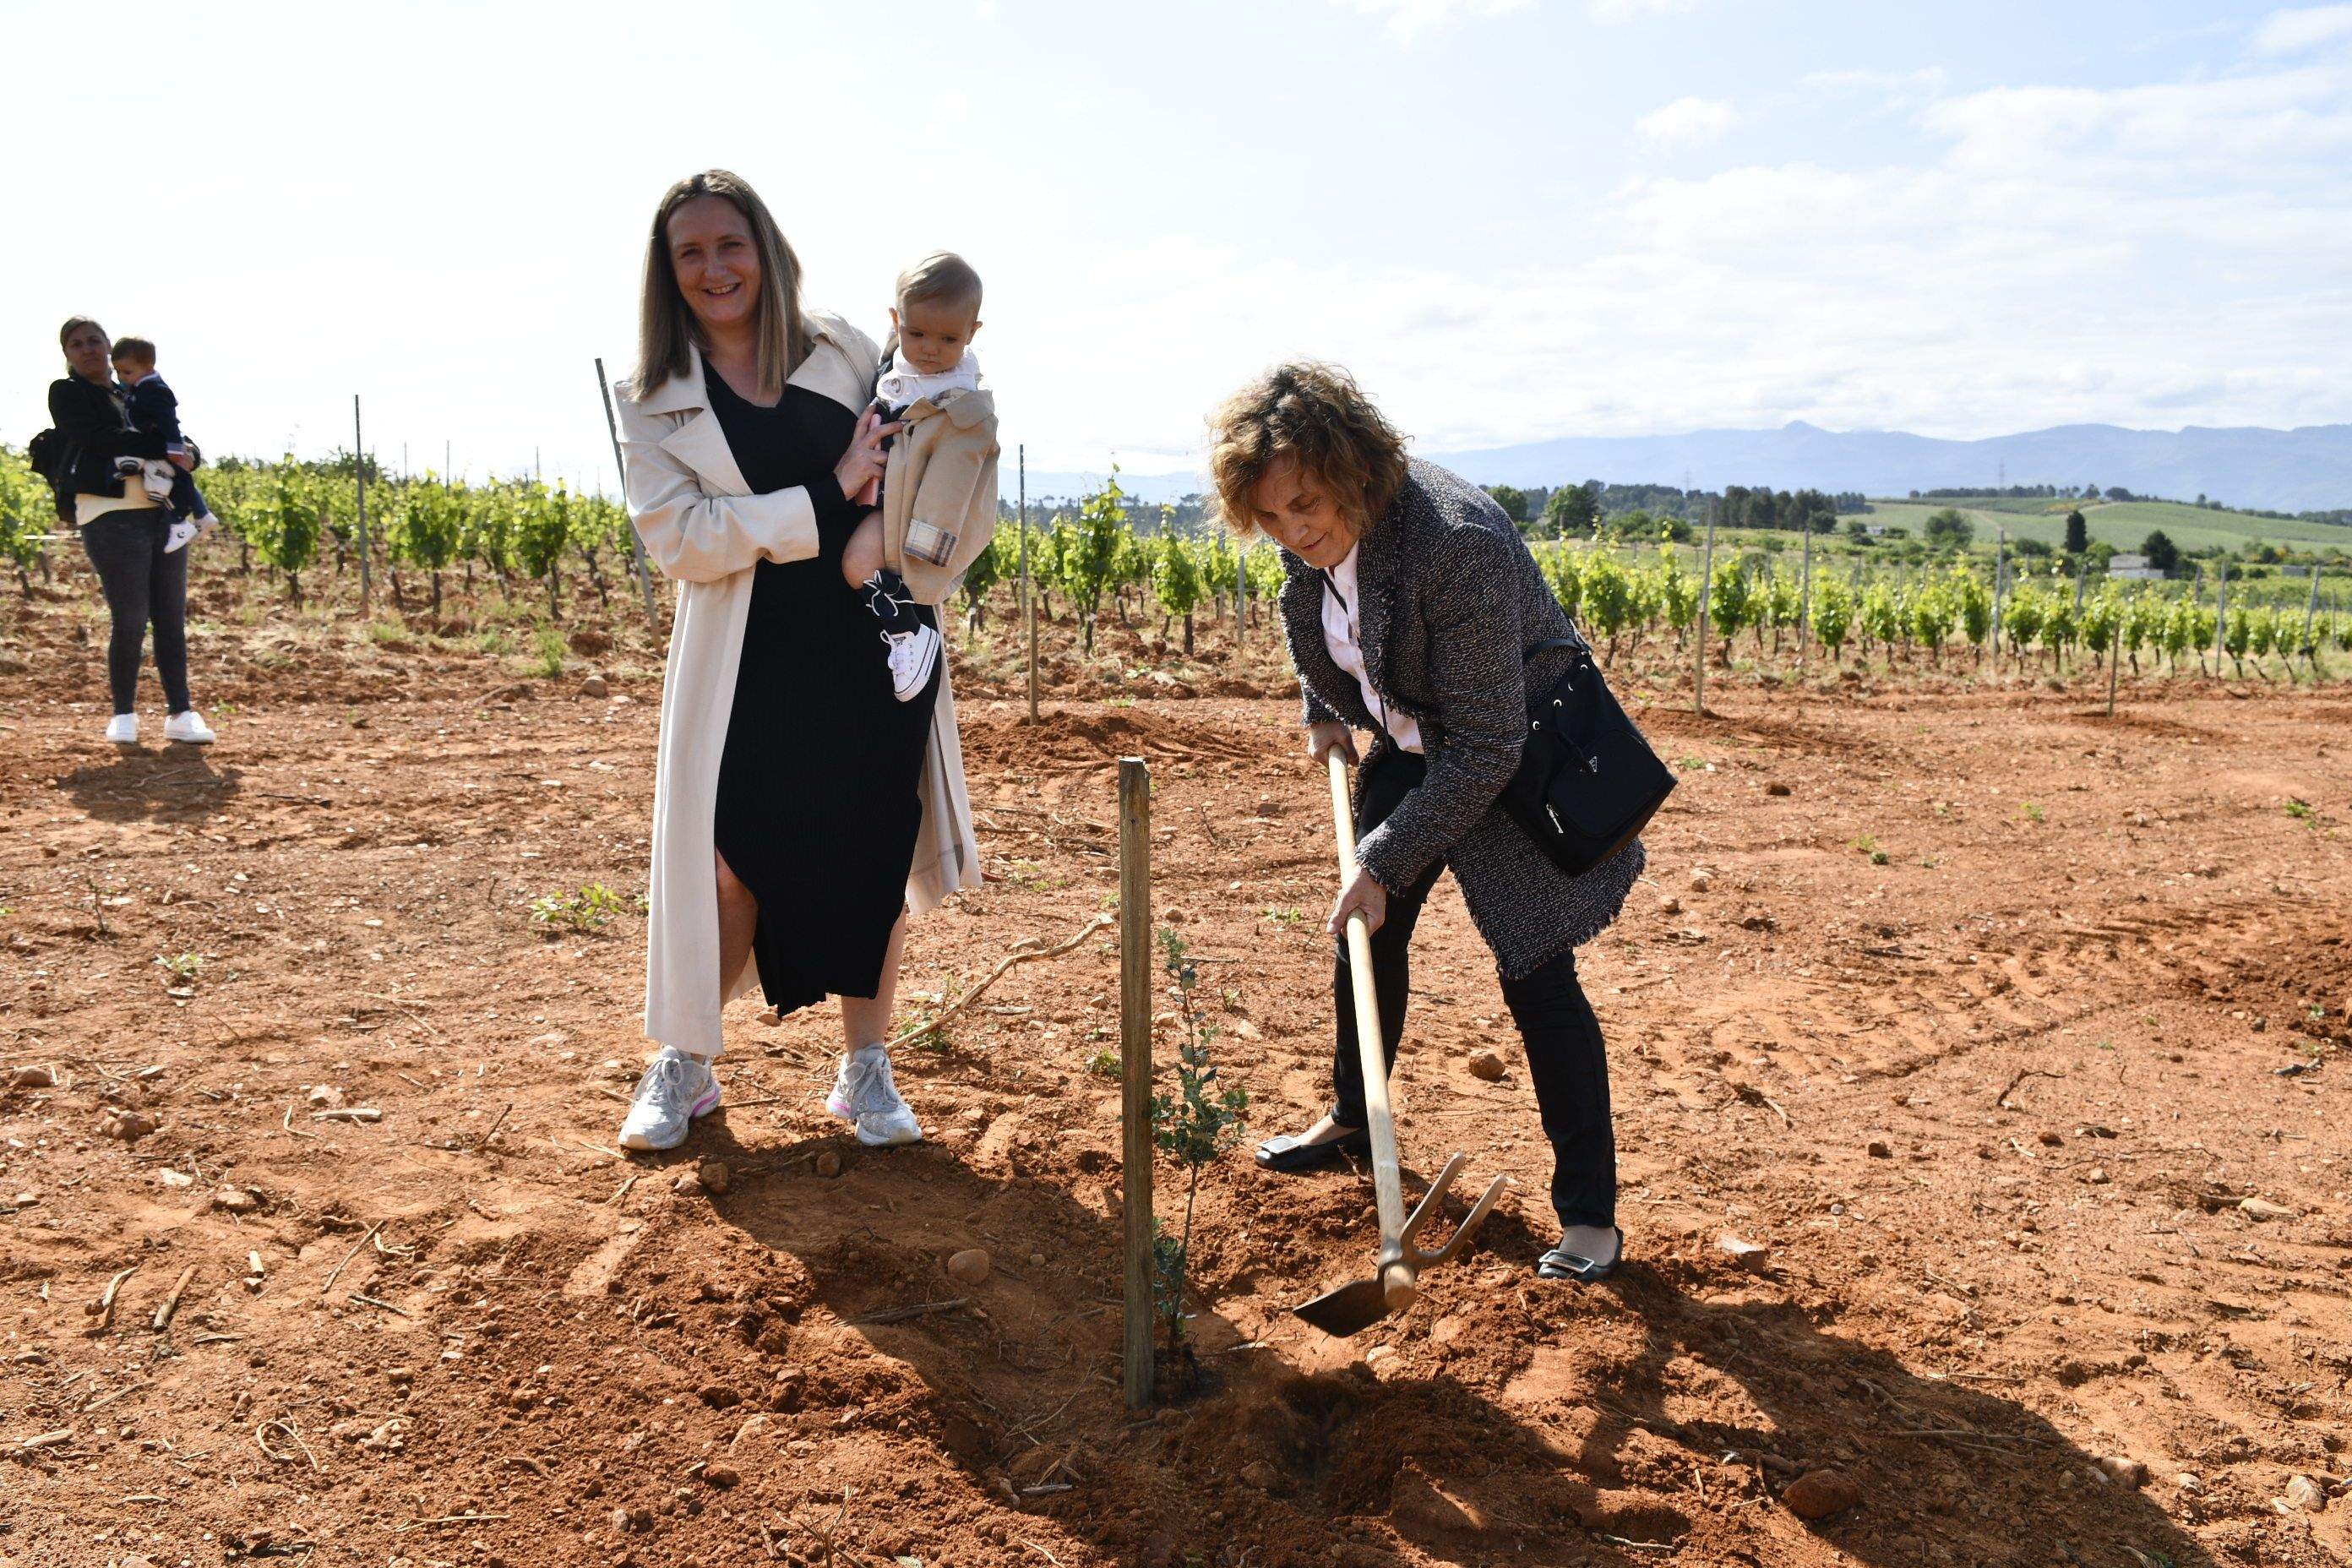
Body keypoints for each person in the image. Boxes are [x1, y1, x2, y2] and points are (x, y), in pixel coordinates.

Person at [1210, 362, 1642, 1282]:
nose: (1292, 531)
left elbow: (1487, 743)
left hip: (1510, 758)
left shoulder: (1457, 546)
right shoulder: (1311, 528)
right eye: (1272, 517)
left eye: (1306, 507)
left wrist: (1386, 853)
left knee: (1536, 975)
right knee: (1366, 935)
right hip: (1416, 739)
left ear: (1356, 470)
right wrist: (1319, 703)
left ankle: (1590, 1219)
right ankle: (1351, 1118)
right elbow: (1338, 624)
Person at [610, 170, 984, 1154]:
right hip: (746, 652)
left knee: (872, 850)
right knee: (729, 860)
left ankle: (865, 1069)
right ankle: (686, 1060)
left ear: (763, 249)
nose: (714, 267)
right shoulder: (651, 396)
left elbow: (920, 437)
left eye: (730, 244)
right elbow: (680, 540)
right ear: (668, 272)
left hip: (868, 637)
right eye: (690, 252)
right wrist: (826, 494)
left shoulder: (844, 347)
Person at [43, 317, 215, 747]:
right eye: (77, 344)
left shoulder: (134, 388)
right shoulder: (67, 394)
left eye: (94, 341)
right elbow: (101, 439)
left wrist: (189, 452)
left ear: (108, 347)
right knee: (132, 616)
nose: (87, 349)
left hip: (162, 513)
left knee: (171, 616)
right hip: (110, 514)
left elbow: (173, 430)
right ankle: (124, 714)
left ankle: (181, 711)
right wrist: (168, 449)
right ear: (67, 354)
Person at [838, 250, 995, 702]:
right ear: (895, 321)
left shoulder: (962, 403)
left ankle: (908, 631)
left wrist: (927, 556)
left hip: (911, 511)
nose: (929, 348)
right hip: (885, 490)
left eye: (948, 339)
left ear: (972, 333)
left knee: (854, 567)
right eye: (916, 332)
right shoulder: (899, 365)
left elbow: (953, 483)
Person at [109, 335, 219, 552]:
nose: (122, 377)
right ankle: (200, 515)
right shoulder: (138, 387)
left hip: (162, 443)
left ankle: (183, 521)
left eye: (127, 372)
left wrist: (174, 448)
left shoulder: (155, 390)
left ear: (149, 366)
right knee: (173, 479)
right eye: (118, 372)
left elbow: (169, 421)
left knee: (169, 482)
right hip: (157, 443)